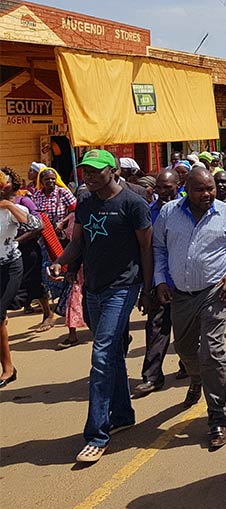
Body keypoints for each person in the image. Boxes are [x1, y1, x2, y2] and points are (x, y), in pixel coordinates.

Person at [49, 150, 153, 464]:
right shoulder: (85, 202)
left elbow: (146, 248)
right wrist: (59, 262)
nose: (89, 176)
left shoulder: (133, 204)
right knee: (112, 355)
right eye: (86, 171)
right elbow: (77, 243)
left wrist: (147, 291)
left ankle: (97, 434)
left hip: (122, 288)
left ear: (113, 171)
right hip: (93, 289)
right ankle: (122, 413)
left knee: (102, 355)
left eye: (95, 171)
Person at [153, 168, 226, 451]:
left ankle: (218, 418)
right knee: (184, 349)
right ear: (186, 188)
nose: (208, 194)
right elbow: (159, 249)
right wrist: (160, 280)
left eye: (210, 188)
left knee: (212, 351)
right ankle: (196, 377)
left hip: (215, 292)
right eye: (200, 189)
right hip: (180, 295)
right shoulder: (169, 213)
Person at [132, 170, 182, 398]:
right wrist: (146, 287)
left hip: (185, 283)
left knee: (186, 332)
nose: (163, 192)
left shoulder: (188, 210)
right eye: (159, 187)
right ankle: (152, 376)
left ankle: (189, 367)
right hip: (158, 283)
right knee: (155, 329)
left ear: (178, 185)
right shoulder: (148, 212)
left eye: (168, 187)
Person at [1, 169, 41, 388]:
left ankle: (7, 368)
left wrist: (8, 206)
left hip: (10, 266)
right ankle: (8, 366)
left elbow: (36, 226)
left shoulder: (17, 207)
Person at [30, 165, 77, 331]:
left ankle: (67, 308)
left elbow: (75, 211)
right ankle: (50, 311)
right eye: (46, 179)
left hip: (63, 237)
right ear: (41, 181)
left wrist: (62, 222)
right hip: (46, 237)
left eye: (52, 178)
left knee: (65, 270)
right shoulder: (37, 195)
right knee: (46, 272)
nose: (49, 181)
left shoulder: (62, 192)